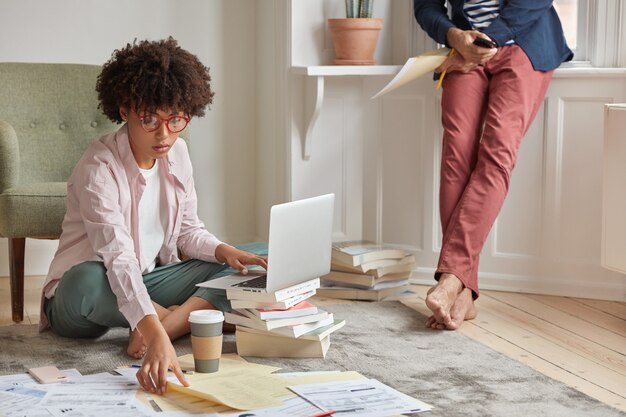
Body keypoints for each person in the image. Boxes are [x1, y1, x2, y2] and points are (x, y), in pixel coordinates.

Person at [39, 37, 268, 394]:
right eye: (150, 120)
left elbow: (188, 232)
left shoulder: (178, 154)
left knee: (259, 260)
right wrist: (157, 334)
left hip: (150, 280)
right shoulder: (98, 169)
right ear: (126, 110)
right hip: (84, 296)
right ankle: (179, 321)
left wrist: (226, 252)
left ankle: (167, 323)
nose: (165, 135)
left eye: (176, 120)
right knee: (87, 280)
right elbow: (118, 260)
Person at [413, 1, 572, 330]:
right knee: (455, 157)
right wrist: (454, 36)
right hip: (466, 47)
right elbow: (425, 5)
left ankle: (451, 281)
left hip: (524, 44)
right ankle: (463, 292)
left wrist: (485, 42)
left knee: (497, 153)